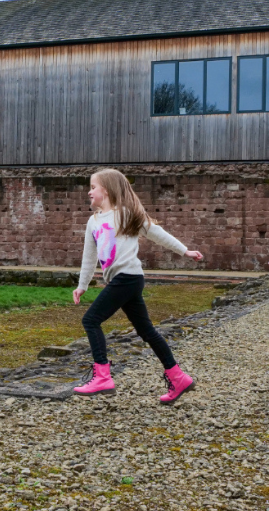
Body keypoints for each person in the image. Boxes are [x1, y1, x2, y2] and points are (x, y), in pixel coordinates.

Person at [72, 168, 204, 404]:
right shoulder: (92, 222)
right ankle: (179, 377)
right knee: (147, 331)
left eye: (93, 187)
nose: (89, 192)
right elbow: (89, 257)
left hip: (128, 278)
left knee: (90, 320)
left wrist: (185, 251)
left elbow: (157, 233)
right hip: (122, 281)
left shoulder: (127, 214)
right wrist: (82, 285)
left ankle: (102, 376)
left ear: (108, 190)